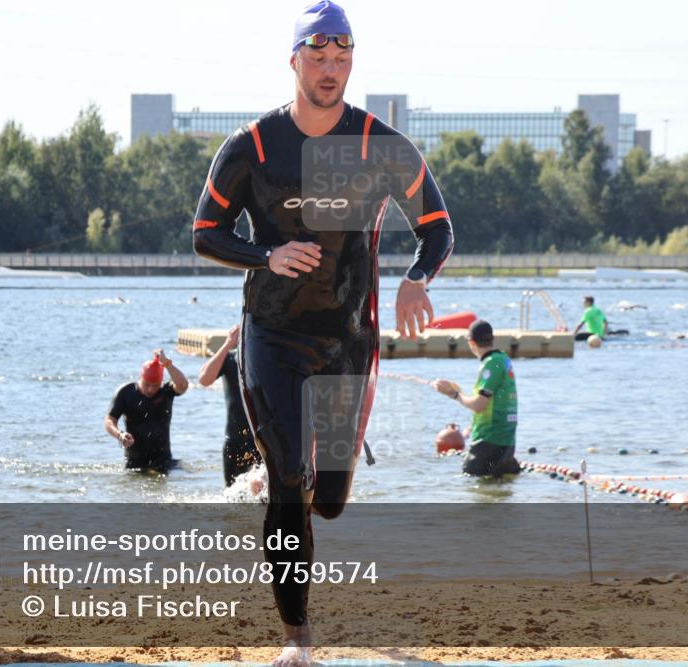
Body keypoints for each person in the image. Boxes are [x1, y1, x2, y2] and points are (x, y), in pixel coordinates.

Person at [191, 3, 453, 664]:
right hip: (271, 332)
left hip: (347, 339)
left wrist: (417, 278)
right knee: (287, 478)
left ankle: (319, 485)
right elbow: (204, 234)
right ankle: (296, 637)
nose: (331, 69)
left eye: (342, 57)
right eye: (319, 56)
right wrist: (264, 256)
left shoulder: (378, 145)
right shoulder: (251, 146)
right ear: (295, 60)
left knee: (327, 499)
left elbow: (437, 226)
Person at [433, 320, 520, 477]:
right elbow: (495, 403)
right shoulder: (503, 359)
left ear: (471, 342)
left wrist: (454, 394)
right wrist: (470, 428)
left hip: (488, 442)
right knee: (499, 491)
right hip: (507, 443)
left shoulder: (491, 363)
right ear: (492, 339)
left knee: (471, 485)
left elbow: (479, 404)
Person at [196, 324, 263, 486]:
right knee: (231, 499)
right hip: (234, 440)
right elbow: (204, 379)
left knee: (261, 490)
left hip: (261, 441)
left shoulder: (266, 364)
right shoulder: (230, 359)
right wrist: (227, 345)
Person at [104, 349, 189, 473]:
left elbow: (182, 385)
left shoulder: (166, 391)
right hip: (134, 462)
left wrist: (166, 363)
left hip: (163, 460)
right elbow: (109, 420)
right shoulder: (126, 393)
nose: (150, 390)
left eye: (155, 385)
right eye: (147, 384)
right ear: (141, 378)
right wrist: (119, 434)